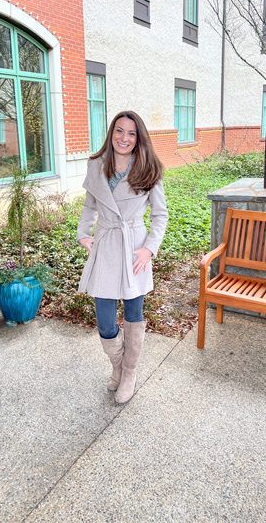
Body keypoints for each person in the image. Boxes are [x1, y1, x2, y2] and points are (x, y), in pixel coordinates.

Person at [77, 111, 168, 405]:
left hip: (134, 249)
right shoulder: (96, 166)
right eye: (119, 131)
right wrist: (84, 234)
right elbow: (90, 206)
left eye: (131, 133)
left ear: (138, 138)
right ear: (111, 133)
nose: (124, 138)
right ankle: (117, 365)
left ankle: (129, 373)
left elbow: (160, 214)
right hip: (106, 243)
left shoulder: (148, 168)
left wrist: (149, 248)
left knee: (133, 315)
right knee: (104, 320)